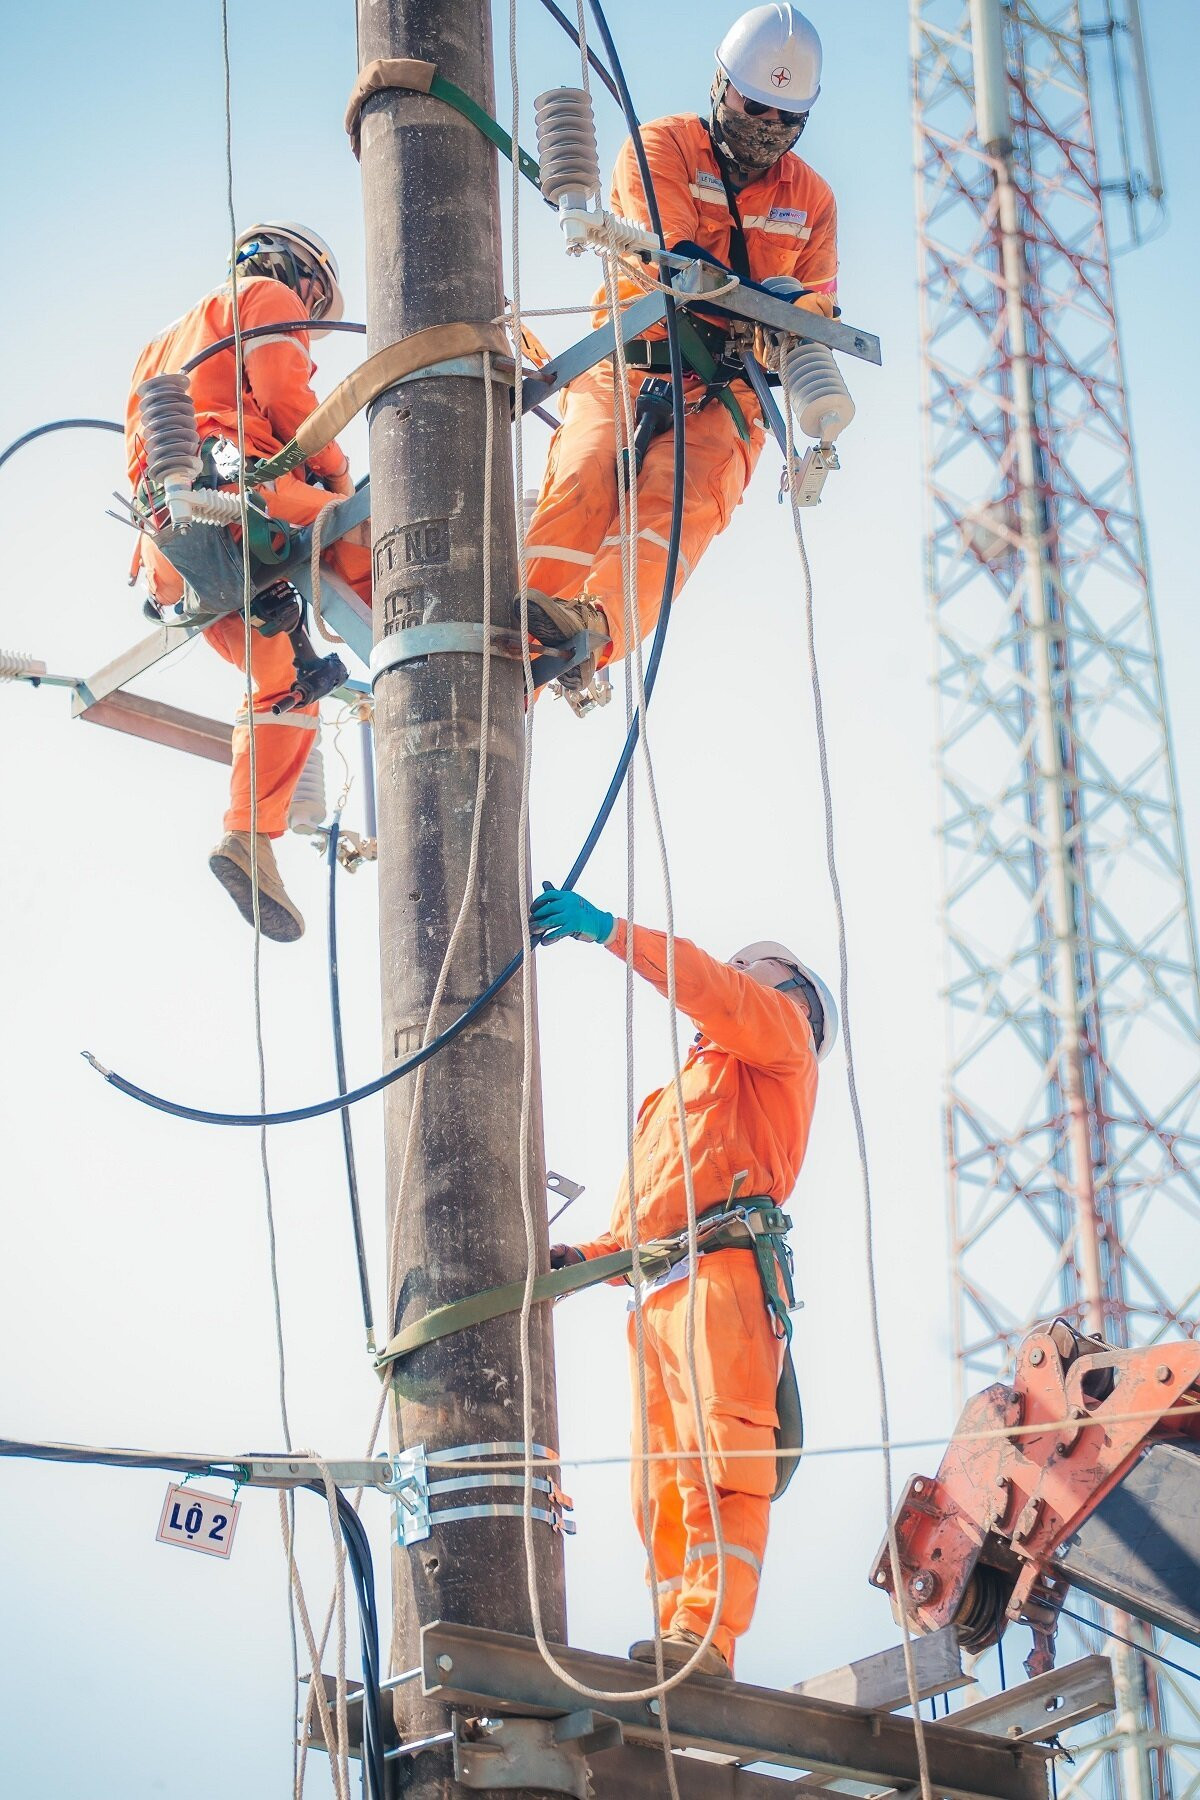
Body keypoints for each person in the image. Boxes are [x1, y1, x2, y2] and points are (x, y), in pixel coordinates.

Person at [531, 881, 837, 1678]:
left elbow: (708, 983)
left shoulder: (783, 1037)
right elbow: (651, 1216)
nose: (736, 974)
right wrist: (587, 1257)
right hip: (663, 1291)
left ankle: (709, 1638)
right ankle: (676, 1635)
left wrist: (609, 932)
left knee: (722, 1461)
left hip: (727, 1280)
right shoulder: (681, 1094)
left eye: (752, 969)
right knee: (661, 1485)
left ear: (790, 991)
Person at [523, 5, 838, 710]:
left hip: (727, 397)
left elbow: (817, 305)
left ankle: (590, 627)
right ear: (720, 87)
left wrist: (797, 319)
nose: (765, 127)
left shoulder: (811, 199)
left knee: (675, 511)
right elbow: (673, 258)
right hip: (631, 364)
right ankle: (521, 627)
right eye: (753, 105)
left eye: (784, 119)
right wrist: (768, 303)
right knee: (582, 479)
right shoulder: (662, 145)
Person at [125, 222, 371, 942]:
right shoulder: (259, 295)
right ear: (298, 271)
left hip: (175, 543)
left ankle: (250, 838)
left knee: (284, 681)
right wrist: (334, 473)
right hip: (236, 498)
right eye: (314, 301)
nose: (307, 318)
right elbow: (287, 395)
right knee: (375, 539)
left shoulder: (159, 342)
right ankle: (439, 654)